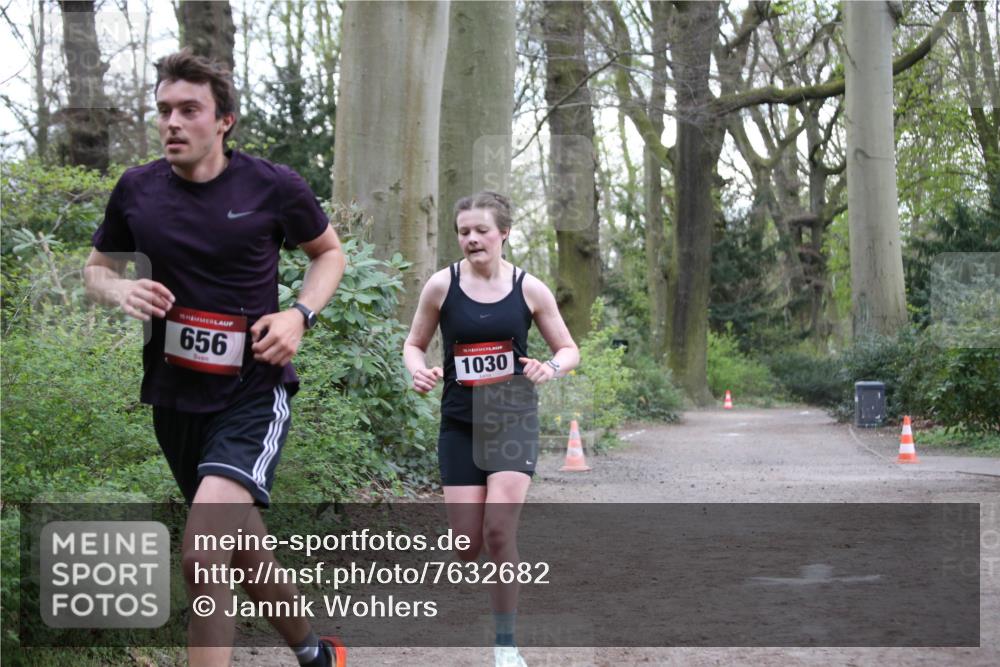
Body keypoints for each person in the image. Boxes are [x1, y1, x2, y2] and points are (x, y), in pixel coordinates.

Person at [83, 50, 347, 667]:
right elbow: (96, 271)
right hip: (174, 400)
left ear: (223, 120)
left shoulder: (272, 185)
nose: (172, 122)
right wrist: (120, 288)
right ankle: (316, 652)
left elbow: (327, 253)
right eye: (164, 111)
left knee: (202, 556)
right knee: (244, 553)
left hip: (251, 394)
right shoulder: (137, 190)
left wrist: (298, 315)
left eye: (189, 110)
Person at [403, 191, 580, 667]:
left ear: (504, 233)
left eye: (482, 230)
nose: (472, 239)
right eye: (464, 231)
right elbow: (414, 344)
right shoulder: (441, 286)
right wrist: (416, 369)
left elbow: (568, 348)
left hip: (513, 421)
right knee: (467, 544)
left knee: (500, 532)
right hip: (459, 424)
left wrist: (551, 367)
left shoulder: (530, 288)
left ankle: (506, 646)